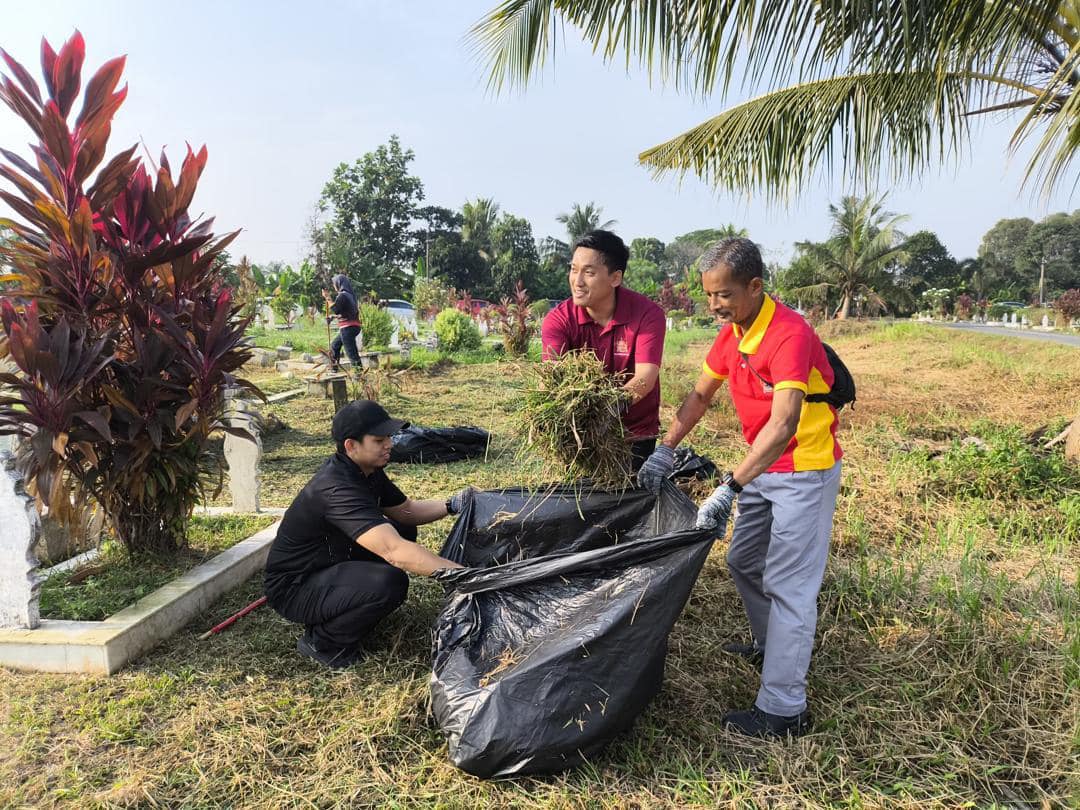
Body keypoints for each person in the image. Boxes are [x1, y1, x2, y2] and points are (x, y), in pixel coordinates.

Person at [637, 237, 843, 739]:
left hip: (803, 470)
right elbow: (699, 394)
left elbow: (784, 423)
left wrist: (728, 486)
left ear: (755, 286)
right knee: (744, 561)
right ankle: (770, 645)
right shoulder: (734, 334)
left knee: (790, 587)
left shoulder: (789, 333)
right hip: (763, 468)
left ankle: (784, 709)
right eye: (708, 295)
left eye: (724, 294)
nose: (714, 306)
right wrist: (666, 448)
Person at [264, 400, 468, 669]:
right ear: (351, 445)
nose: (389, 445)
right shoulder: (336, 488)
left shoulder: (367, 471)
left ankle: (347, 602)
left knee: (402, 526)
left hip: (329, 562)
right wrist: (467, 578)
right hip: (295, 587)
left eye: (388, 438)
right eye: (379, 440)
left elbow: (406, 510)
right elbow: (394, 552)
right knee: (388, 582)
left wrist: (454, 504)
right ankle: (323, 642)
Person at [540, 230, 667, 470]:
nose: (577, 281)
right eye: (573, 269)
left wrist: (606, 409)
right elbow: (552, 377)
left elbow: (645, 378)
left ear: (615, 278)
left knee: (631, 500)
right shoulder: (558, 320)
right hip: (579, 436)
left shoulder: (648, 315)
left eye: (589, 272)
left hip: (634, 433)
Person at [324, 274, 363, 371]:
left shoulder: (342, 295)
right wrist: (333, 317)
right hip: (354, 326)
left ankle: (359, 375)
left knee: (351, 352)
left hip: (347, 328)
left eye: (334, 284)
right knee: (335, 345)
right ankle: (333, 368)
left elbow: (336, 309)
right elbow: (346, 313)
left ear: (338, 284)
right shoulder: (351, 296)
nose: (334, 287)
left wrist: (327, 298)